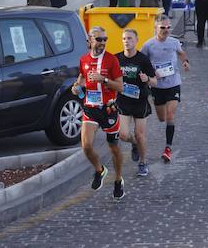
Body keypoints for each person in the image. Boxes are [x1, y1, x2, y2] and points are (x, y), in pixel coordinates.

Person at [72, 25, 125, 200]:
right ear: (90, 40)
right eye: (99, 39)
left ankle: (118, 180)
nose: (103, 42)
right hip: (90, 109)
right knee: (86, 146)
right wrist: (77, 86)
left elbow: (120, 86)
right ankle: (100, 170)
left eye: (105, 39)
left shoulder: (111, 60)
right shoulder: (84, 60)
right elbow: (81, 77)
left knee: (114, 148)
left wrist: (104, 80)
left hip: (108, 110)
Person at [141, 14, 190, 161]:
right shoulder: (148, 45)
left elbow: (181, 53)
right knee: (162, 118)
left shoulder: (174, 42)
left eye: (169, 27)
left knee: (170, 116)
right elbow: (142, 62)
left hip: (173, 84)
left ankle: (168, 148)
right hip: (157, 86)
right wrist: (150, 73)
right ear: (155, 28)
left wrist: (185, 62)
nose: (167, 30)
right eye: (163, 27)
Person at [116, 28, 157, 176]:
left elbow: (155, 81)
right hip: (123, 101)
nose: (127, 41)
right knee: (123, 135)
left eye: (130, 38)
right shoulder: (117, 59)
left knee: (140, 135)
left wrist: (147, 79)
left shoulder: (143, 59)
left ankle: (143, 162)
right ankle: (134, 143)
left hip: (140, 102)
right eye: (124, 38)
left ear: (136, 40)